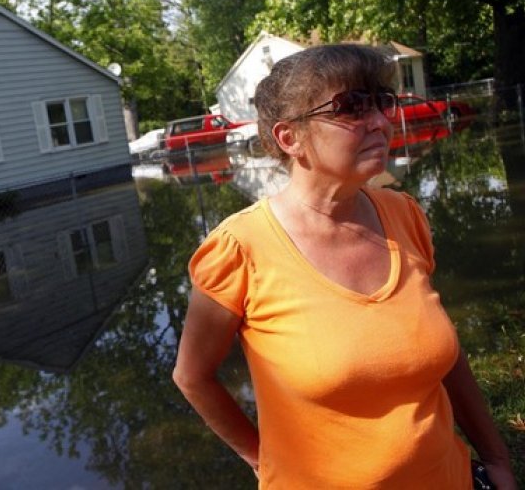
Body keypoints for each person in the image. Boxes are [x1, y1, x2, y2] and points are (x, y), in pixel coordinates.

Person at [172, 44, 516, 489]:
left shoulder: (404, 215)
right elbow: (193, 376)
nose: (379, 120)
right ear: (289, 138)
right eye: (351, 107)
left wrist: (496, 459)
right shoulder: (240, 249)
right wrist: (264, 462)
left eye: (382, 102)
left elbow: (447, 359)